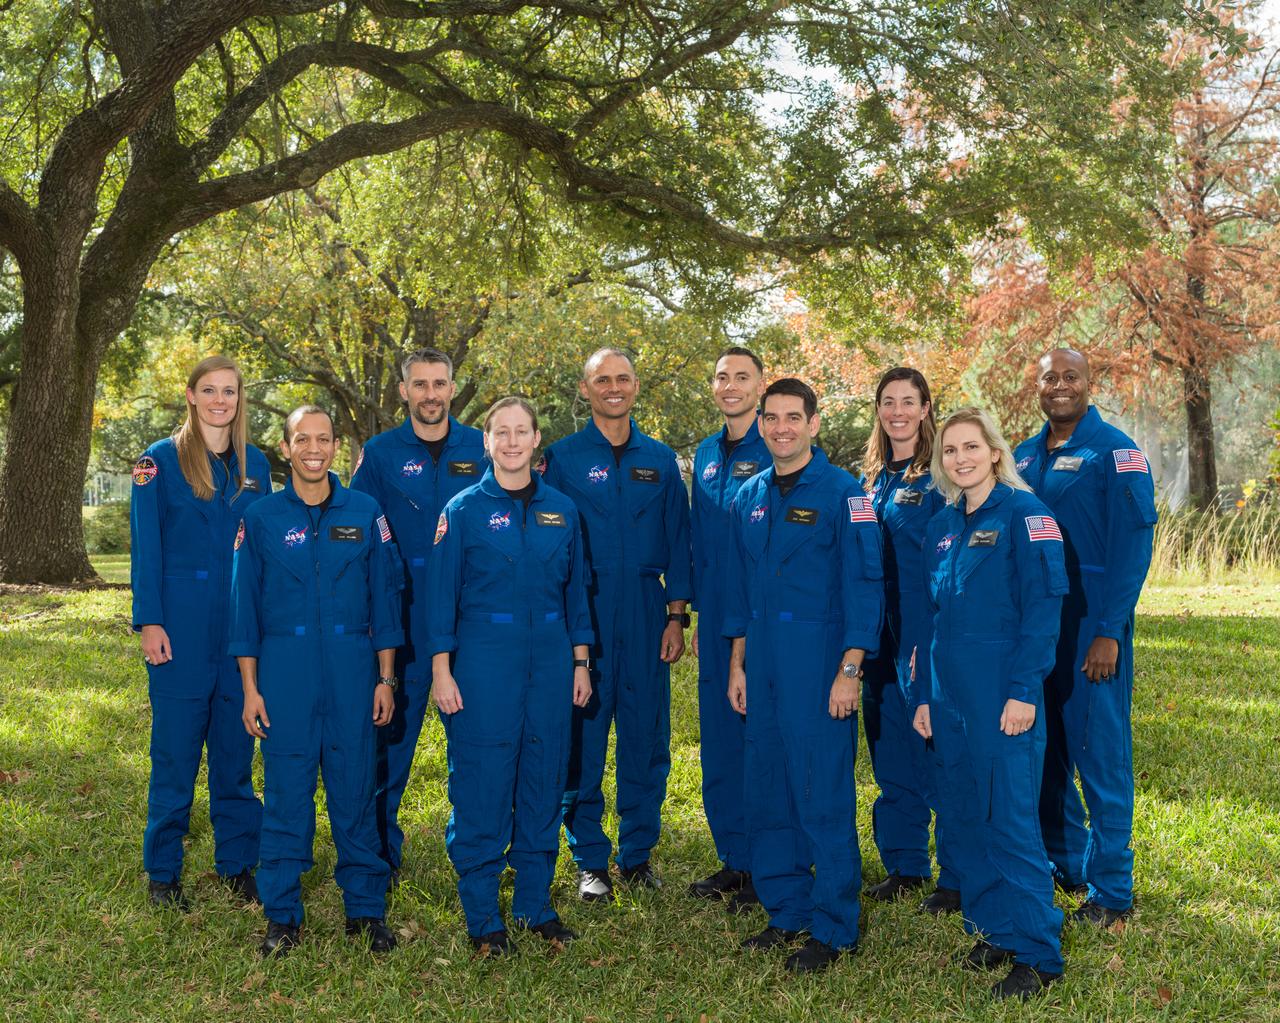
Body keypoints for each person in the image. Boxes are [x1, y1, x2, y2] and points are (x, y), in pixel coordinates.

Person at [229, 406, 403, 957]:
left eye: (323, 439)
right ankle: (282, 916)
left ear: (335, 448)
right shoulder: (259, 518)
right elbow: (244, 613)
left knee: (355, 793)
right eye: (301, 439)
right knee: (287, 796)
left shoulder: (366, 511)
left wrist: (385, 678)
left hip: (354, 668)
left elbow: (385, 602)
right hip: (285, 670)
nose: (313, 448)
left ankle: (365, 911)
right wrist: (251, 690)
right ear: (285, 448)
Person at [724, 377, 884, 973]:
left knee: (820, 793)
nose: (781, 428)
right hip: (762, 661)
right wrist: (738, 663)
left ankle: (835, 926)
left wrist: (851, 669)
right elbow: (742, 592)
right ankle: (785, 909)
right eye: (772, 418)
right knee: (768, 789)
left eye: (794, 417)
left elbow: (866, 589)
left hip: (819, 662)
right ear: (761, 423)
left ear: (814, 424)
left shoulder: (845, 495)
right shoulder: (751, 496)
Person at [427, 397, 594, 955]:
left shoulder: (564, 512)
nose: (513, 441)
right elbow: (440, 599)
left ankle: (534, 905)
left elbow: (577, 596)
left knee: (544, 779)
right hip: (482, 662)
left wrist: (580, 661)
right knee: (482, 785)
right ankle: (483, 918)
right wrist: (441, 671)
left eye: (522, 431)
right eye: (503, 432)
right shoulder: (463, 510)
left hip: (550, 661)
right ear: (487, 442)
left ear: (536, 440)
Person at [914, 407, 1067, 1000]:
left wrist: (1024, 691)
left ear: (995, 453)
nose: (960, 459)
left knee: (1010, 822)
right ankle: (994, 929)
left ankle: (1037, 952)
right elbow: (934, 619)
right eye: (950, 451)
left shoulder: (1027, 516)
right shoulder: (942, 526)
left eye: (971, 447)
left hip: (1004, 694)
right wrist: (926, 696)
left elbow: (1043, 613)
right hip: (950, 697)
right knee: (965, 815)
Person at [540, 348, 693, 901]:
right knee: (582, 735)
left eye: (622, 378)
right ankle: (590, 860)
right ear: (585, 389)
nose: (613, 387)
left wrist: (676, 615)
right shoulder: (560, 458)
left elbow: (680, 539)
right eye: (602, 379)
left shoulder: (660, 459)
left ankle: (638, 853)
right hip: (585, 608)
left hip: (647, 611)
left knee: (646, 736)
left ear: (635, 386)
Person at [1014, 349, 1157, 926]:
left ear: (1088, 383)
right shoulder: (1022, 454)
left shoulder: (1117, 453)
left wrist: (1108, 631)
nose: (1060, 387)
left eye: (1070, 377)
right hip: (1035, 628)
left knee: (1100, 759)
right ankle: (1068, 864)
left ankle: (1112, 892)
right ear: (1038, 386)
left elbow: (1133, 548)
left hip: (1091, 626)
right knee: (1046, 755)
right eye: (1050, 377)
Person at [130, 354, 271, 911]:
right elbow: (146, 547)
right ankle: (163, 873)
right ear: (190, 395)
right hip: (180, 630)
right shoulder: (158, 462)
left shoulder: (255, 464)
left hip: (238, 633)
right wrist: (150, 621)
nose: (220, 400)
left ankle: (238, 863)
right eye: (209, 390)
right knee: (175, 756)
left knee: (236, 757)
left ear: (240, 399)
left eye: (230, 391)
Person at [350, 348, 487, 886]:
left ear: (453, 389)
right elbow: (359, 532)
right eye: (420, 384)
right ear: (403, 391)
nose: (431, 394)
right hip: (401, 620)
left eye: (440, 383)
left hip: (471, 622)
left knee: (476, 744)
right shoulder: (380, 455)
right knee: (390, 743)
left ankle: (473, 849)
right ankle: (381, 849)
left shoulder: (482, 447)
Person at [857, 368, 958, 915]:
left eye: (908, 401)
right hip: (877, 633)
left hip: (922, 628)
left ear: (925, 409)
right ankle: (905, 862)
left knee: (935, 749)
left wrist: (932, 636)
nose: (897, 411)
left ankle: (958, 872)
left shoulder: (943, 476)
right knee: (890, 748)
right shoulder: (871, 480)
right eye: (887, 401)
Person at [687, 346, 769, 911]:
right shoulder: (705, 455)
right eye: (722, 376)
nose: (731, 385)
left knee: (760, 740)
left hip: (763, 616)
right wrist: (689, 613)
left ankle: (772, 862)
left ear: (761, 386)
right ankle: (735, 860)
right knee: (719, 742)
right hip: (715, 615)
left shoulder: (778, 447)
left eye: (742, 376)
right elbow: (697, 539)